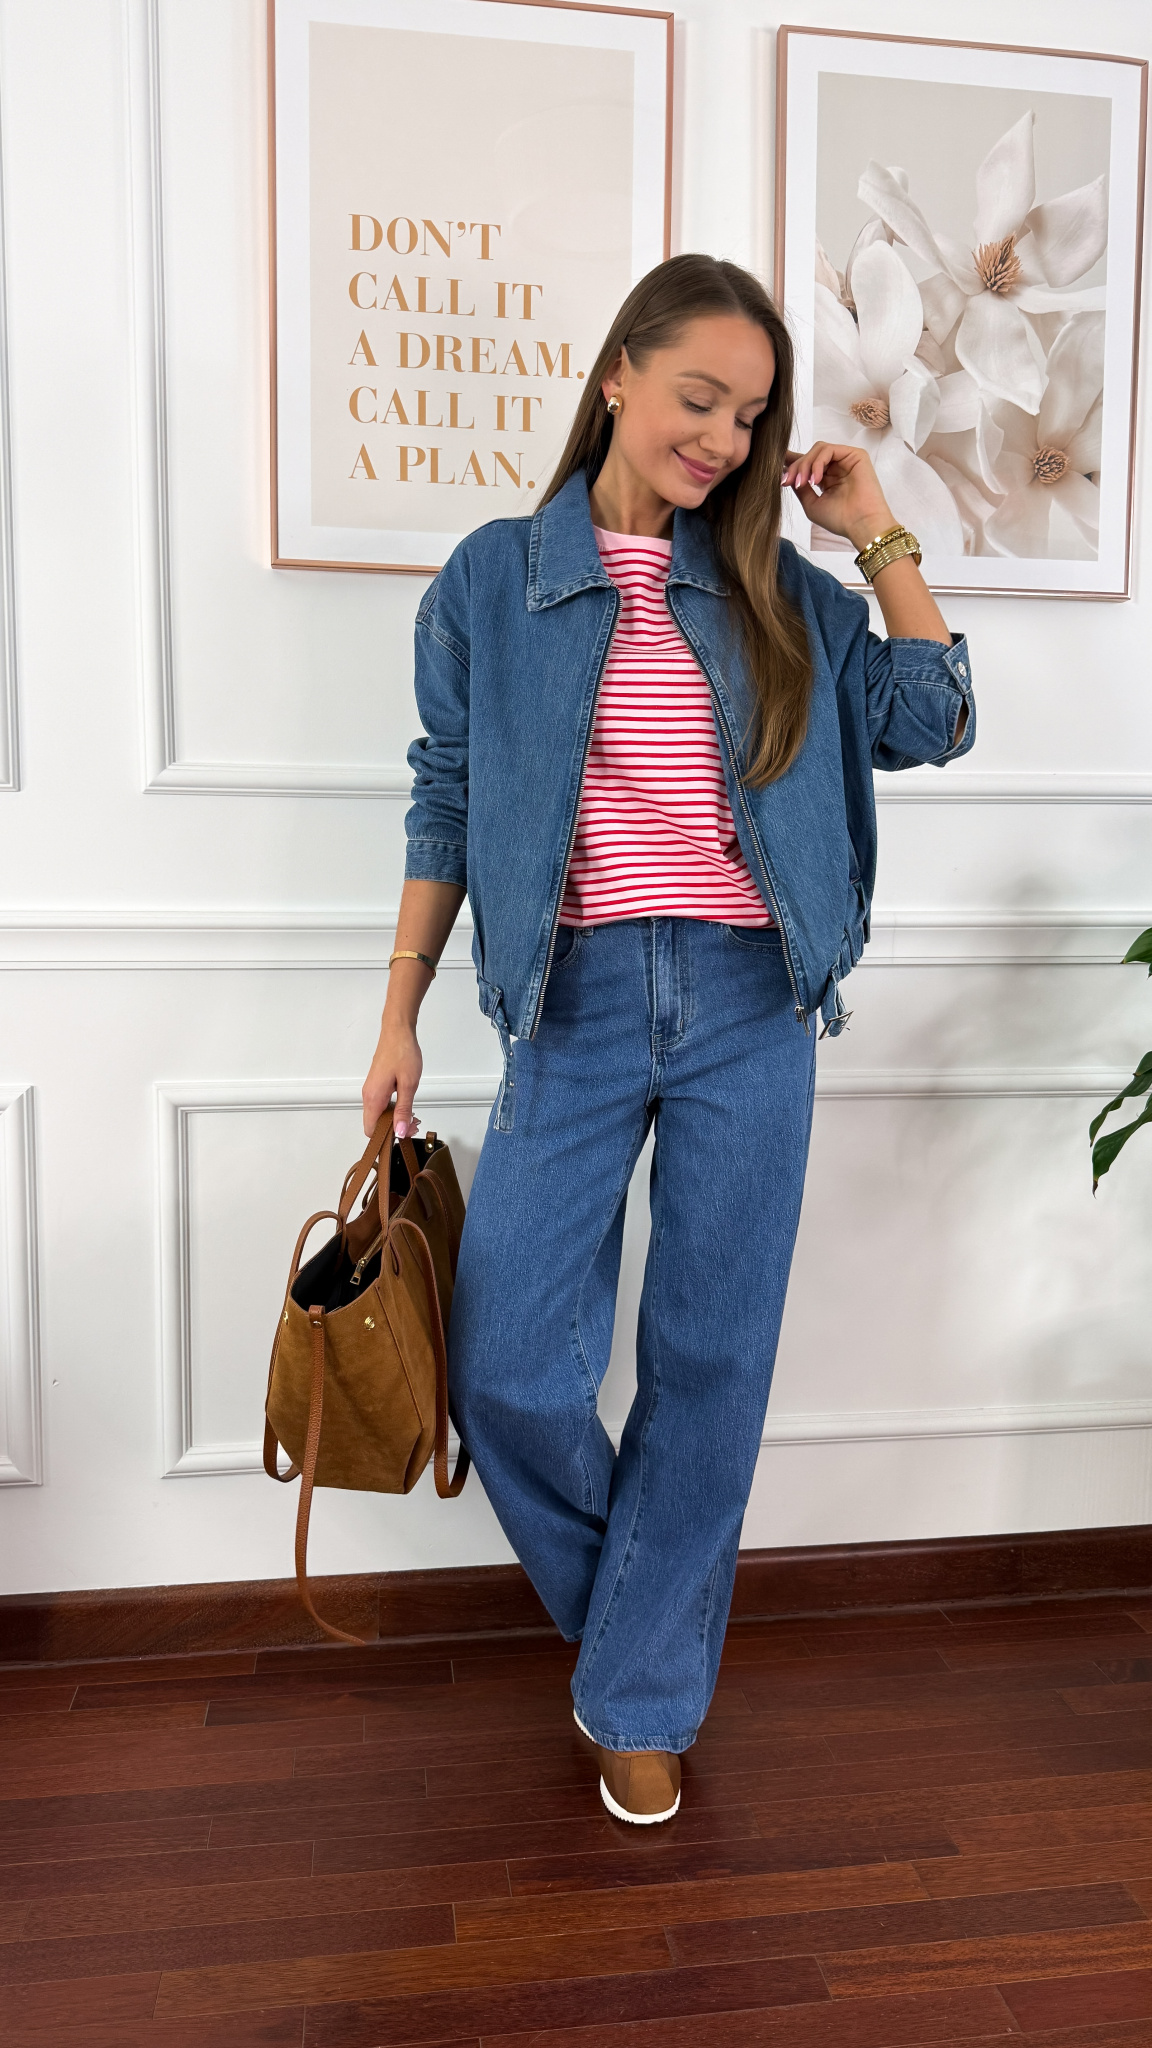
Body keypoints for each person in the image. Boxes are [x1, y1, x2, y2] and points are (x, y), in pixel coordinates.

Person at [361, 254, 974, 1826]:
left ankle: (637, 1696)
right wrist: (398, 1014)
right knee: (509, 1367)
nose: (722, 438)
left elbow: (931, 719)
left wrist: (875, 528)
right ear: (618, 372)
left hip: (751, 1003)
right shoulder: (494, 580)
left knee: (709, 1361)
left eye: (751, 415)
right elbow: (446, 792)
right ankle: (641, 1635)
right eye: (699, 397)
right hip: (567, 1000)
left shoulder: (783, 593)